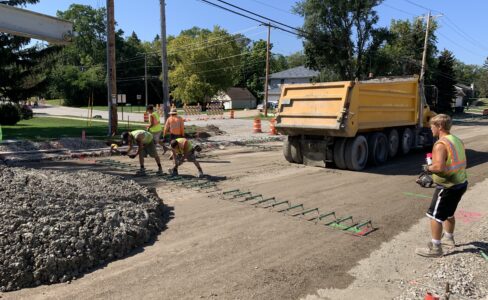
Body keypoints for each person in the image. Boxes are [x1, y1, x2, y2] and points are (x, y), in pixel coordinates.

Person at [415, 114, 468, 258]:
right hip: (460, 183)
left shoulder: (440, 144)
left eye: (432, 126)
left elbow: (439, 167)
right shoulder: (456, 140)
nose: (430, 128)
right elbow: (454, 163)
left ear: (439, 127)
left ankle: (436, 248)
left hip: (447, 187)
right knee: (449, 213)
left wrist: (428, 168)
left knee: (435, 216)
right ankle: (449, 239)